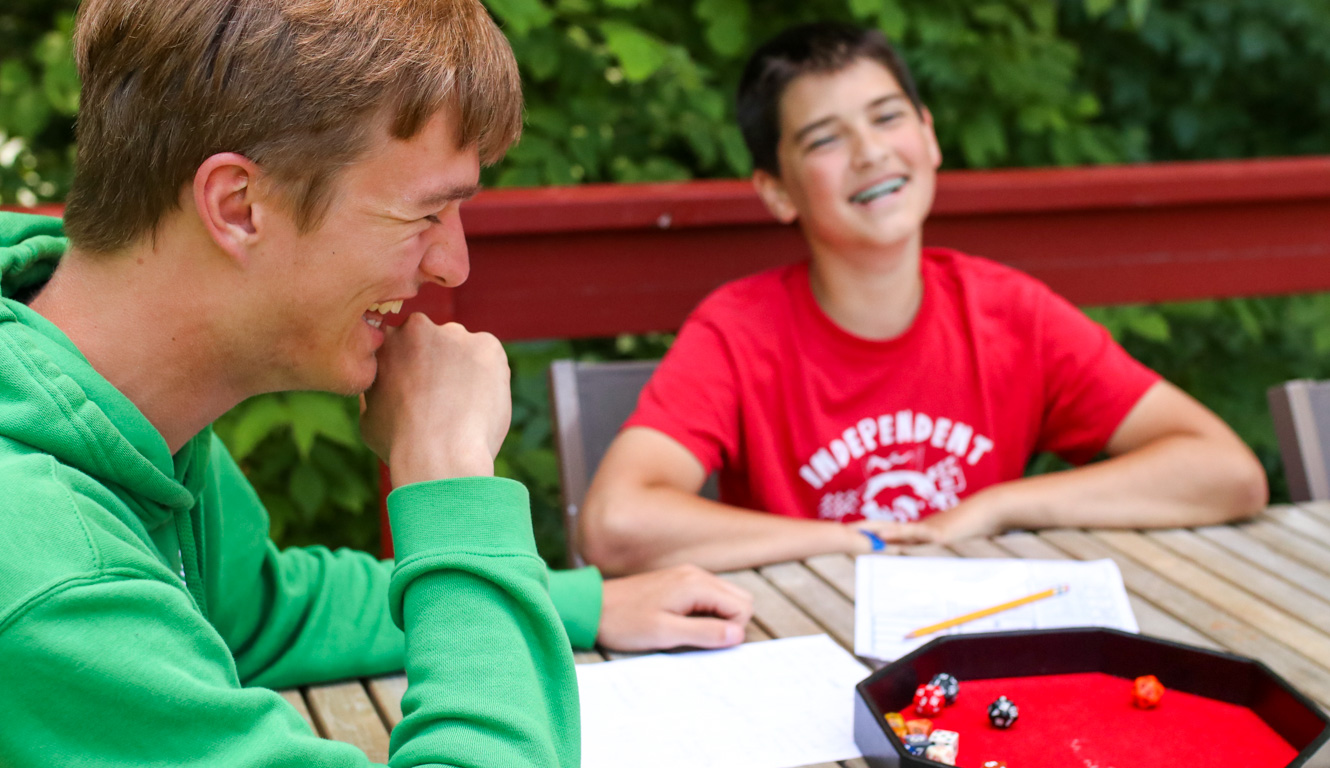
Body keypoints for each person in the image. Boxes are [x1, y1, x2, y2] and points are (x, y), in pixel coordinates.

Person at [0, 1, 751, 765]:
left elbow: (264, 612)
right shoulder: (47, 578)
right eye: (425, 213)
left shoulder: (105, 397)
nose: (451, 265)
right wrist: (451, 481)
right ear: (240, 207)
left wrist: (574, 604)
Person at [579, 22, 1268, 577]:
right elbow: (616, 524)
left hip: (983, 637)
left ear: (929, 137)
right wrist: (849, 540)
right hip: (800, 637)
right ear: (777, 191)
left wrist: (997, 506)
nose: (870, 152)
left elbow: (1227, 474)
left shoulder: (1010, 314)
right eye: (825, 139)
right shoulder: (738, 331)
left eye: (887, 118)